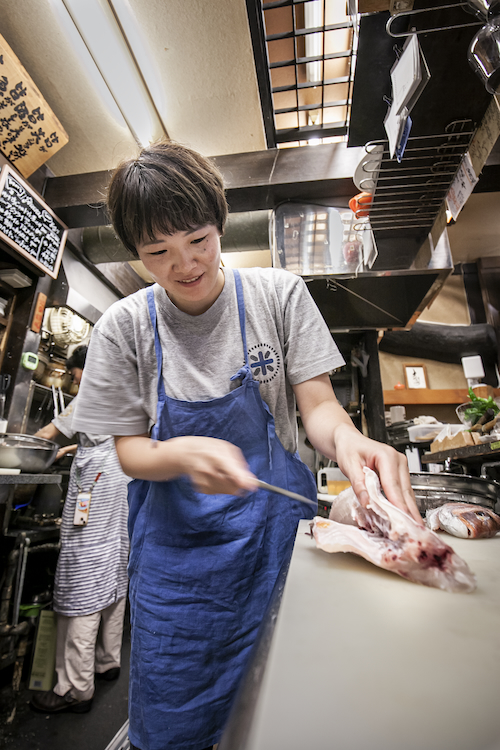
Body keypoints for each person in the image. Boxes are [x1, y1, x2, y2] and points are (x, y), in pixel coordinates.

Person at [71, 141, 422, 750]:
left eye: (198, 241)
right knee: (174, 726)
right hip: (176, 579)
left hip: (273, 555)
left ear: (220, 222)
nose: (185, 264)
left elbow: (319, 409)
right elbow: (128, 451)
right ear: (136, 254)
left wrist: (351, 442)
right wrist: (179, 455)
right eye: (159, 252)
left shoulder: (278, 296)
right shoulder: (121, 329)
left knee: (284, 715)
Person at [30, 345, 130, 714]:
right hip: (118, 479)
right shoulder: (122, 386)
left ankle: (74, 686)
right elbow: (101, 436)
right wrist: (77, 448)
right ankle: (107, 660)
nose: (75, 384)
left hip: (97, 485)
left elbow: (45, 434)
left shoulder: (94, 389)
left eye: (74, 376)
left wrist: (34, 447)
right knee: (113, 567)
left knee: (81, 576)